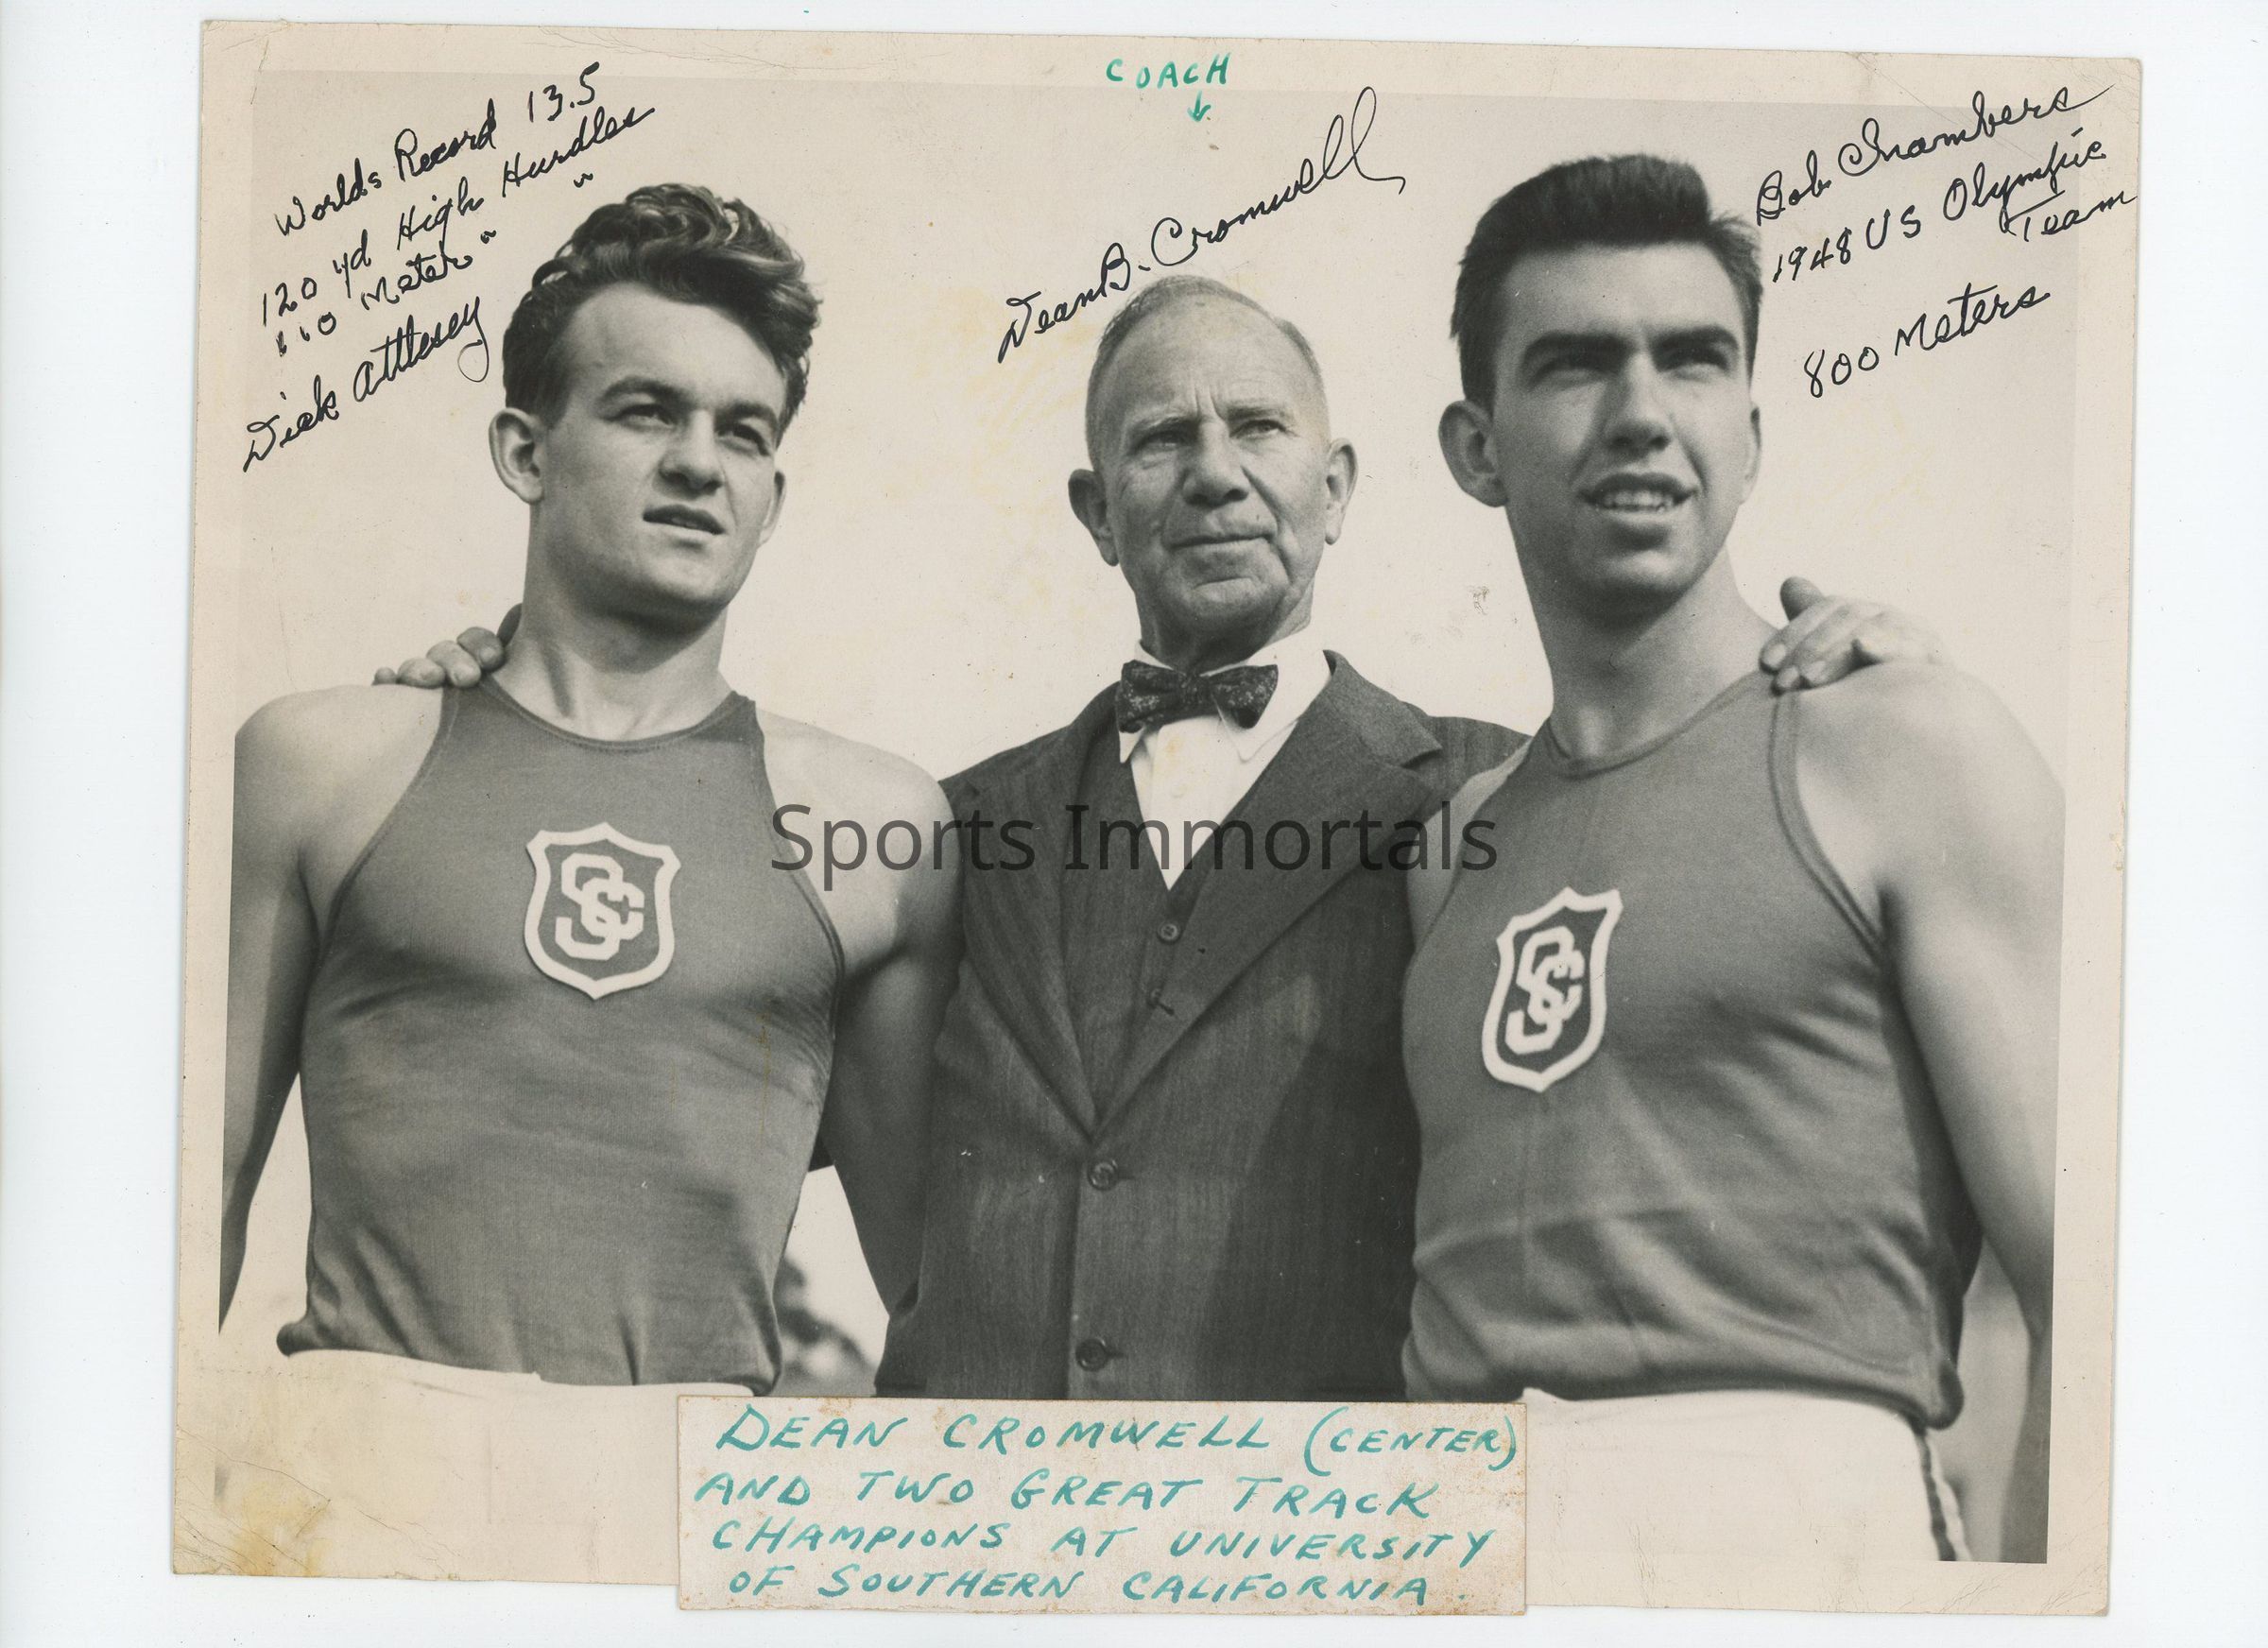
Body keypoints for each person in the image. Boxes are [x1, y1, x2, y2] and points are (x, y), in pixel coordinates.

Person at [397, 276, 1934, 1402]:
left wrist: (1841, 685)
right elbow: (678, 1047)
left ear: (1336, 488)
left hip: (1316, 1563)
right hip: (971, 1551)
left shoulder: (1502, 804)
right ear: (1095, 510)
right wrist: (510, 724)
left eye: (1258, 427)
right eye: (1160, 439)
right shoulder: (941, 829)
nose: (1213, 470)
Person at [1405, 155, 2057, 1564]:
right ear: (1476, 448)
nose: (1643, 413)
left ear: (1750, 438)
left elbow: (2094, 1285)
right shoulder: (1455, 844)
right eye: (1577, 364)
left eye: (1692, 360)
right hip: (1467, 1537)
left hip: (1797, 1531)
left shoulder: (1902, 743)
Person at [224, 183, 959, 1395]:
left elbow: (938, 1293)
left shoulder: (876, 830)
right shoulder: (323, 764)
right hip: (372, 1472)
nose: (698, 463)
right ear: (527, 452)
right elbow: (185, 1208)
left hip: (685, 1482)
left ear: (773, 498)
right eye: (645, 411)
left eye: (744, 431)